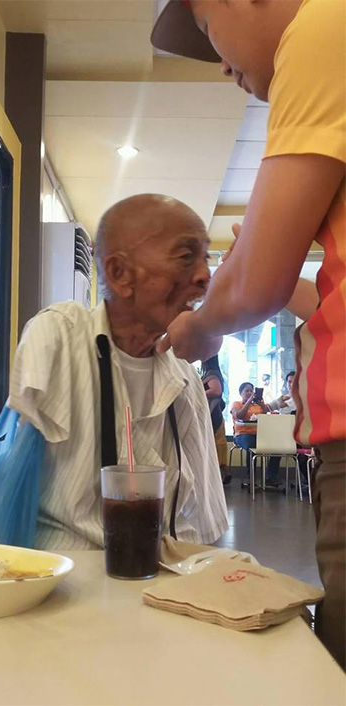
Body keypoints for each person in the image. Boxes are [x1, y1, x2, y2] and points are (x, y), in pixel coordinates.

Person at [152, 0, 345, 667]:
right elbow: (305, 293)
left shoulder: (324, 27)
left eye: (207, 31)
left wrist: (201, 328)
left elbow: (249, 287)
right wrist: (267, 284)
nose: (220, 64)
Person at [8, 194, 228, 551]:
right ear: (119, 273)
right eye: (186, 256)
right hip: (58, 577)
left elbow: (200, 521)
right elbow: (13, 470)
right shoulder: (60, 334)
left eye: (205, 258)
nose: (205, 276)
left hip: (158, 576)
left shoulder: (185, 378)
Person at [230, 381, 282, 489]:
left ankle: (271, 476)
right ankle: (251, 477)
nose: (249, 392)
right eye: (247, 390)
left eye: (251, 390)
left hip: (259, 434)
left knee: (278, 446)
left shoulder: (257, 406)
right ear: (241, 393)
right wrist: (248, 402)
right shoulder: (237, 404)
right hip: (242, 434)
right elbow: (239, 415)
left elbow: (265, 415)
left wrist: (262, 404)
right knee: (251, 445)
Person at [200, 356, 229, 485]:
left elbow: (216, 390)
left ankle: (217, 476)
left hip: (213, 413)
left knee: (214, 443)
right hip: (213, 412)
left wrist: (198, 393)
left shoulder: (211, 374)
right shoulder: (211, 373)